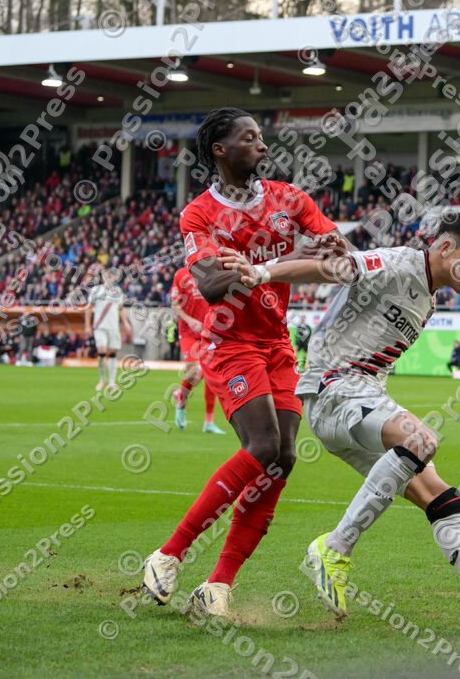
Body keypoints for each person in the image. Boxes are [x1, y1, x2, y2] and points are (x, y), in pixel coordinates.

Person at [227, 212, 460, 635]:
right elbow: (331, 269)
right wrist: (260, 272)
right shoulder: (396, 262)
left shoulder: (428, 301)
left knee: (440, 496)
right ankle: (333, 547)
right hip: (334, 388)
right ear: (444, 247)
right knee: (420, 439)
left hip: (362, 399)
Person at [141, 107, 347, 618]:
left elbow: (338, 254)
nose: (262, 145)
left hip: (277, 342)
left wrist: (260, 265)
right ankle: (168, 555)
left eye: (261, 136)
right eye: (250, 138)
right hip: (230, 342)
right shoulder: (199, 214)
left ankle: (218, 586)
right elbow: (209, 285)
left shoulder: (289, 199)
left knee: (285, 458)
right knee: (263, 445)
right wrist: (236, 270)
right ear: (221, 149)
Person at [169, 265, 223, 434]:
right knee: (194, 372)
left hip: (209, 332)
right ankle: (182, 398)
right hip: (188, 332)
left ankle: (209, 422)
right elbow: (175, 304)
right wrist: (190, 320)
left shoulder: (212, 272)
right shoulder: (181, 274)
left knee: (211, 375)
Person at [86, 267, 131, 392]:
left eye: (112, 276)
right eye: (108, 276)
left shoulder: (118, 292)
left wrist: (126, 323)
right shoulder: (96, 290)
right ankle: (102, 380)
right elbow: (89, 308)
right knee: (101, 352)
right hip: (99, 327)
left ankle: (111, 382)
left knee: (112, 354)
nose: (110, 278)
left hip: (113, 327)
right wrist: (87, 326)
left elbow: (121, 309)